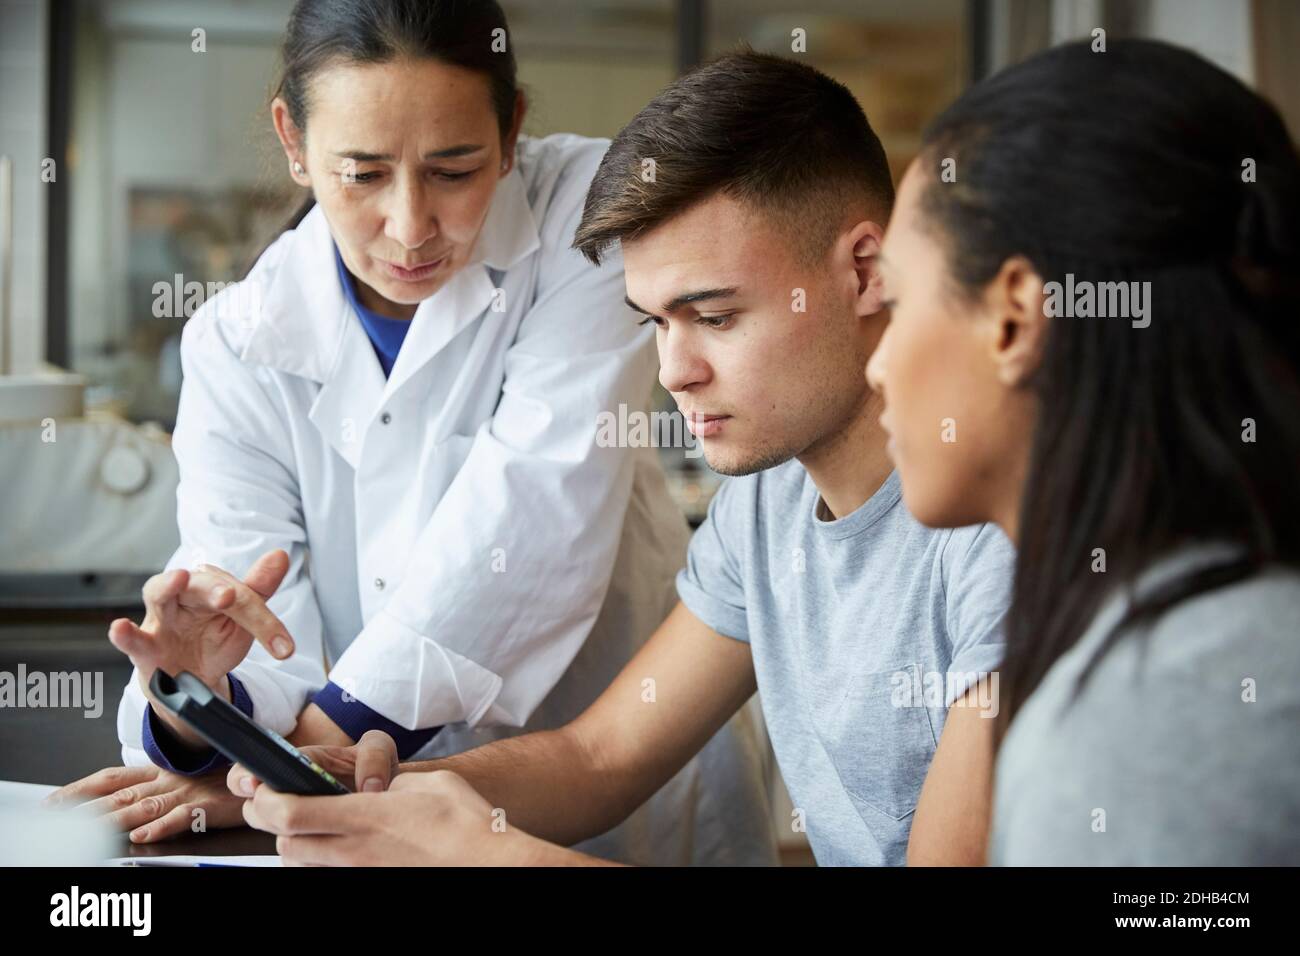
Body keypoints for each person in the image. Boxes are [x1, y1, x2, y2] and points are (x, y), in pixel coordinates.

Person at [227, 50, 1015, 867]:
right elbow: (597, 759)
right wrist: (391, 796)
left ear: (862, 271)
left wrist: (484, 856)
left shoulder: (1003, 529)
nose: (675, 373)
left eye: (713, 316)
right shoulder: (766, 505)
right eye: (654, 324)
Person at [46, 0, 776, 867]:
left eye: (455, 170)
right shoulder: (237, 342)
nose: (410, 226)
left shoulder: (587, 213)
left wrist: (274, 778)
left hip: (604, 795)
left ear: (511, 132)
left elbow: (531, 520)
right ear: (293, 138)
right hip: (349, 828)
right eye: (361, 174)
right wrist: (198, 700)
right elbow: (261, 624)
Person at [866, 38, 1300, 864]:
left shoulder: (1152, 723)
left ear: (1014, 319)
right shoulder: (1228, 630)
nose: (876, 366)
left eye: (894, 301)